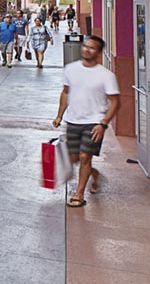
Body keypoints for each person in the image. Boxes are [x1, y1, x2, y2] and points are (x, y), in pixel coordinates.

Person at [52, 35, 119, 208]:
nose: (86, 50)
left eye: (91, 48)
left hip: (94, 122)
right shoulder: (70, 69)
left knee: (84, 156)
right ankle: (93, 174)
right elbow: (65, 92)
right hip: (73, 119)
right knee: (74, 157)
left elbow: (115, 102)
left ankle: (79, 194)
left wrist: (103, 124)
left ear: (99, 52)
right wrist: (59, 115)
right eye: (85, 46)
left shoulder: (106, 75)